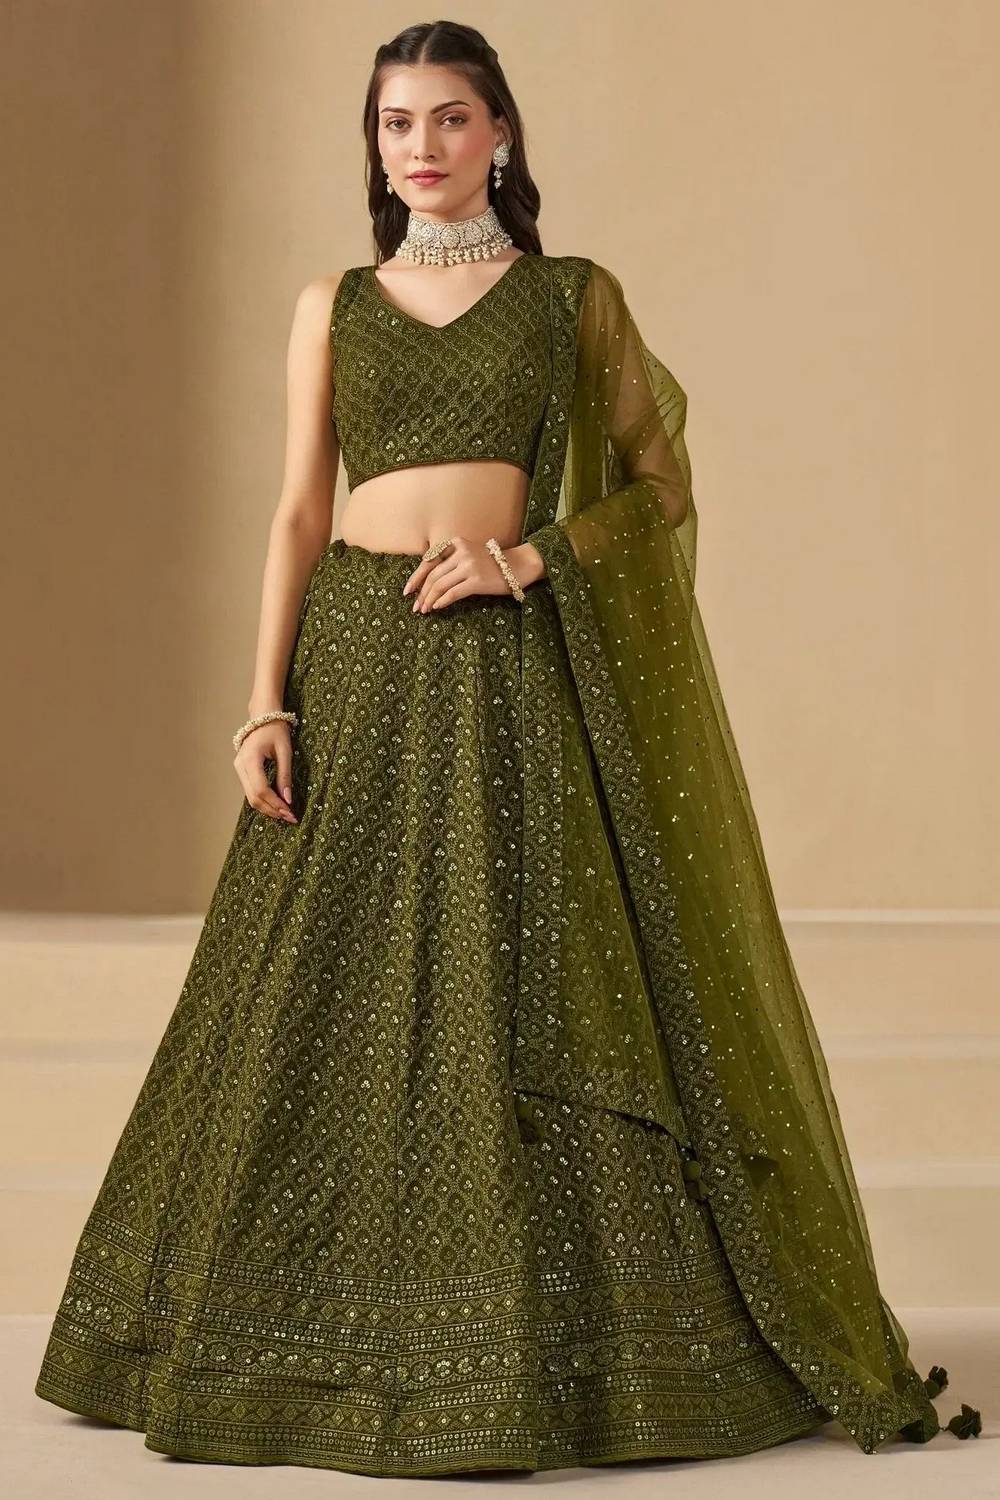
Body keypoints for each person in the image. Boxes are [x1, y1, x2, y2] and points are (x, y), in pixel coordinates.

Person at [34, 18, 981, 1478]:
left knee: (527, 980)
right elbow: (299, 510)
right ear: (374, 144)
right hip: (358, 657)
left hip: (507, 661)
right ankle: (299, 1341)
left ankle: (560, 1354)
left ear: (502, 133)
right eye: (395, 123)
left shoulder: (571, 298)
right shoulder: (334, 304)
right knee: (319, 993)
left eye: (449, 118)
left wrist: (529, 559)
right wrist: (263, 701)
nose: (420, 146)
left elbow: (659, 480)